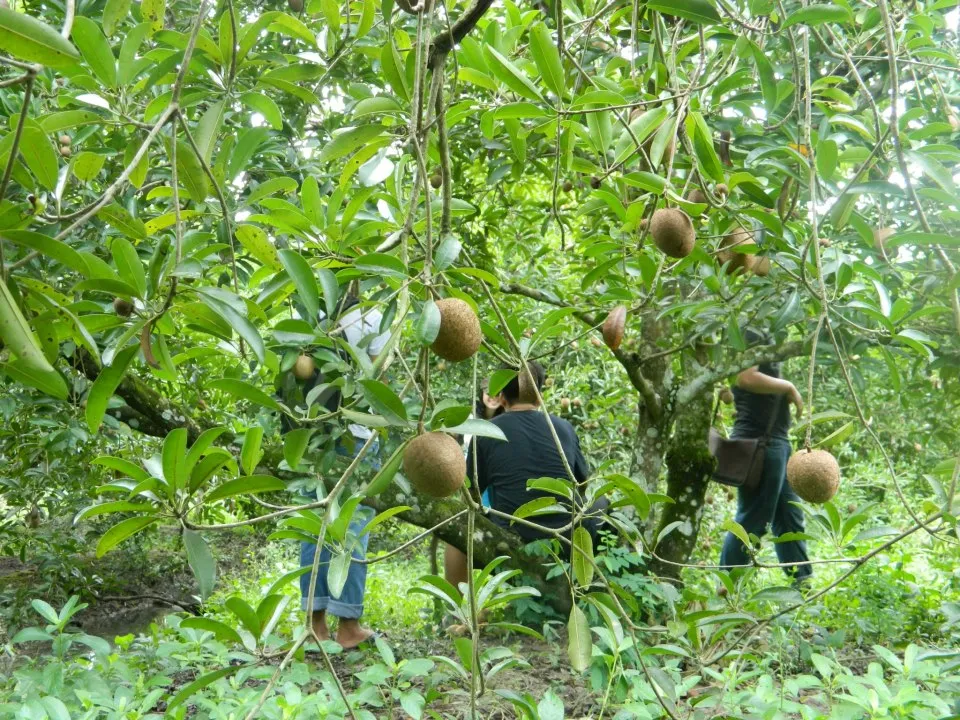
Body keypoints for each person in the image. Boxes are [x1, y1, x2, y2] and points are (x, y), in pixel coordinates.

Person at [284, 290, 390, 650]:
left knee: (316, 522)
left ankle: (315, 623)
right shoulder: (374, 318)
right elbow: (381, 383)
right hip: (356, 434)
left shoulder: (307, 314)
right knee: (353, 522)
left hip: (312, 433)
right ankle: (348, 625)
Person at [444, 361, 605, 587]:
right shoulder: (564, 428)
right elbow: (582, 484)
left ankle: (462, 612)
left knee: (458, 521)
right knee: (601, 502)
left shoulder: (486, 432)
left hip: (513, 538)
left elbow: (471, 496)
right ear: (539, 398)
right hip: (567, 536)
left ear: (501, 397)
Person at [719, 328, 811, 584]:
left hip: (775, 443)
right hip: (761, 444)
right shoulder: (749, 332)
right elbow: (746, 378)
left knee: (790, 519)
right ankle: (727, 590)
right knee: (753, 521)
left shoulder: (768, 336)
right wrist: (789, 387)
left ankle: (802, 587)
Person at [442, 379, 504, 589]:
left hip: (492, 490)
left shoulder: (505, 424)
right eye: (488, 392)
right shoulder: (468, 421)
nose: (492, 397)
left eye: (497, 392)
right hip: (468, 484)